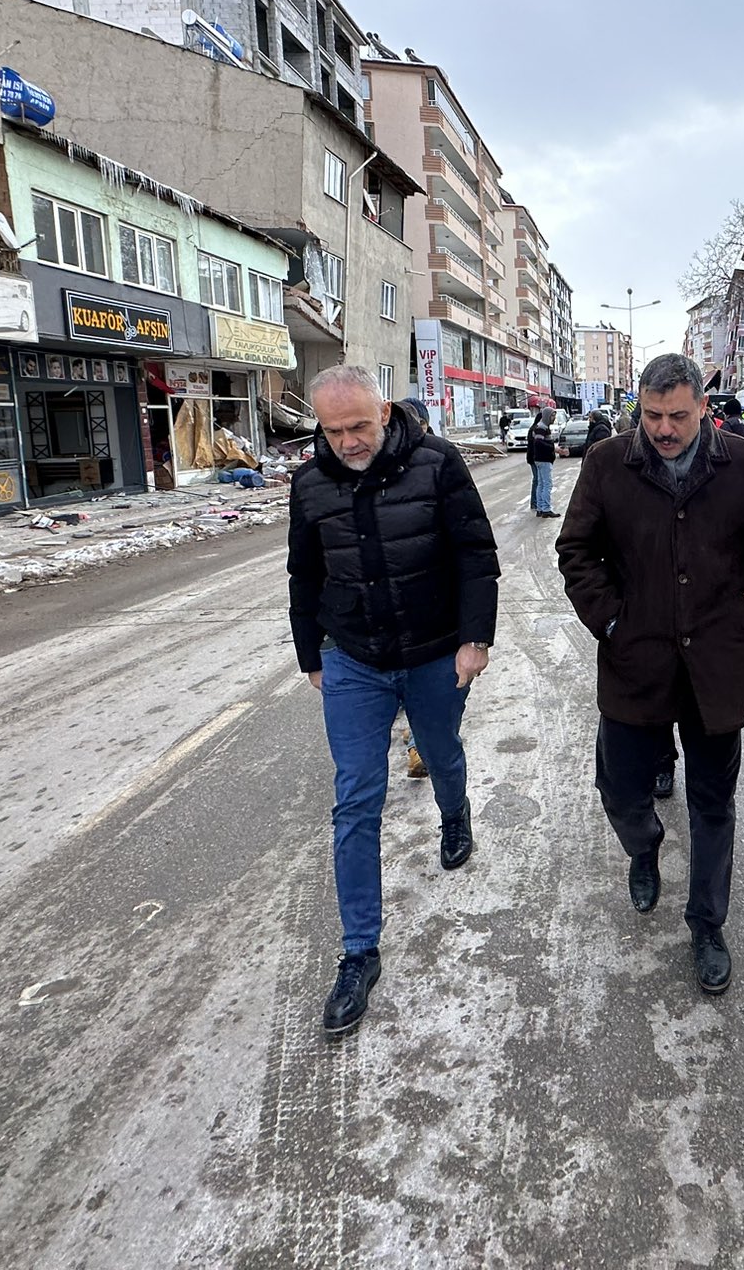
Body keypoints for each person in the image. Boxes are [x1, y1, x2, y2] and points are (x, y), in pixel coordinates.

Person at [557, 354, 744, 997]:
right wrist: (611, 620)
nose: (665, 429)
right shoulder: (607, 463)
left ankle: (706, 924)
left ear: (704, 406)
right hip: (634, 660)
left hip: (715, 665)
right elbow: (576, 551)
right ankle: (643, 847)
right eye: (652, 416)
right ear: (637, 409)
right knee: (619, 789)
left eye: (678, 415)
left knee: (711, 801)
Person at [288, 364, 500, 1035]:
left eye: (359, 426)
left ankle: (454, 810)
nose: (349, 441)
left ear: (383, 412)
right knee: (355, 798)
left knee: (439, 751)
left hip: (436, 652)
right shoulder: (310, 482)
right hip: (352, 658)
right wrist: (310, 655)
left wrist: (475, 639)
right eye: (334, 429)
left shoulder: (437, 463)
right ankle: (358, 954)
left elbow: (476, 553)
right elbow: (304, 571)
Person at [527, 407, 561, 517]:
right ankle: (546, 509)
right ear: (546, 416)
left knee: (541, 484)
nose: (554, 418)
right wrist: (553, 448)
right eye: (552, 415)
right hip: (543, 459)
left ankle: (540, 508)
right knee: (547, 484)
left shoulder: (543, 427)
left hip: (541, 459)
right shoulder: (541, 428)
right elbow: (538, 443)